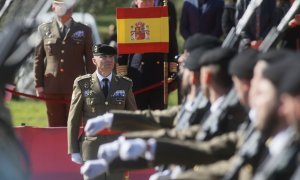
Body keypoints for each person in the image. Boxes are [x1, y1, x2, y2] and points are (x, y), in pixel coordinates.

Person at [67, 44, 137, 180]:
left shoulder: (125, 84)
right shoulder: (83, 84)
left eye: (111, 56)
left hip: (117, 147)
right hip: (92, 148)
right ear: (94, 61)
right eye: (103, 57)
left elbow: (133, 118)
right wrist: (73, 149)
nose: (109, 60)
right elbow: (73, 119)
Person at [33, 0, 95, 127]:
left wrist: (92, 85)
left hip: (76, 87)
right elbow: (38, 59)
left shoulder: (84, 30)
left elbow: (90, 60)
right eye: (60, 5)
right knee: (55, 127)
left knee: (76, 126)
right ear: (53, 7)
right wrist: (38, 84)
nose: (65, 8)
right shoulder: (44, 29)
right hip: (52, 87)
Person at [117, 0, 179, 110]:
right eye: (144, 2)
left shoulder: (163, 20)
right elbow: (122, 53)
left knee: (158, 116)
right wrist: (122, 76)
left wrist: (172, 72)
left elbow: (173, 48)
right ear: (136, 2)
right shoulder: (128, 20)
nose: (147, 4)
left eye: (149, 1)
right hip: (136, 76)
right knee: (138, 116)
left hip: (159, 76)